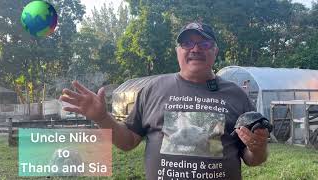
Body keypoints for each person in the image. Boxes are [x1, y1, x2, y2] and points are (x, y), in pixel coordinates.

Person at [60, 22, 269, 180]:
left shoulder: (235, 94)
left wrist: (258, 148)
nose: (195, 49)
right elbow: (128, 142)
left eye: (204, 43)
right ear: (177, 51)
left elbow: (252, 159)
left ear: (215, 51)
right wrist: (102, 117)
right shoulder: (153, 89)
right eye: (186, 43)